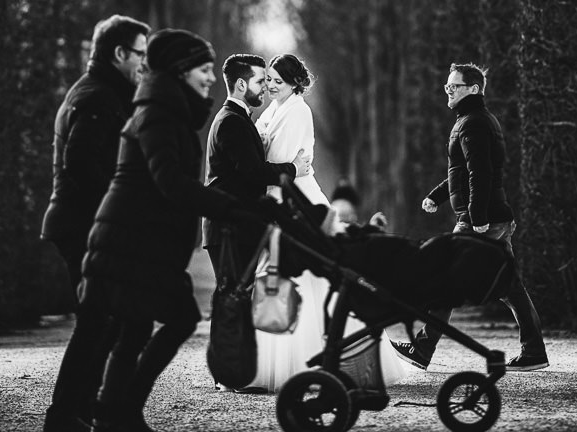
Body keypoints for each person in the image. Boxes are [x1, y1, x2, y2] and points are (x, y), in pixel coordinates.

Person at [46, 29, 254, 432]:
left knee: (135, 325)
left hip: (132, 239)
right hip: (126, 239)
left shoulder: (164, 108)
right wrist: (230, 208)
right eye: (204, 69)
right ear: (180, 71)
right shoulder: (156, 111)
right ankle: (109, 411)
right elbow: (169, 181)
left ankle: (112, 412)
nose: (211, 77)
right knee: (172, 318)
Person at [245, 54, 406, 393]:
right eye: (269, 79)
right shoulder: (273, 110)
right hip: (284, 192)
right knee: (286, 275)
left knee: (308, 275)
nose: (271, 85)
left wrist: (257, 156)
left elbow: (279, 161)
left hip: (297, 200)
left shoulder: (298, 110)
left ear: (293, 82)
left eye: (277, 79)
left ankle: (317, 357)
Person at [390, 62, 549, 372]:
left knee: (444, 280)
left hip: (481, 219)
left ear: (474, 89)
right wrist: (437, 195)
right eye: (447, 87)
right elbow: (463, 172)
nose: (447, 91)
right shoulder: (474, 120)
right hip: (495, 217)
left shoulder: (472, 123)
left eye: (455, 87)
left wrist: (476, 216)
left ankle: (422, 349)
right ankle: (535, 352)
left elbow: (480, 173)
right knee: (511, 287)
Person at [41, 14, 150, 291]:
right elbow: (79, 162)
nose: (145, 63)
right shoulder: (99, 97)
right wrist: (117, 209)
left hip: (82, 220)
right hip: (84, 223)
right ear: (119, 53)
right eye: (141, 54)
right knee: (104, 320)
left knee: (103, 320)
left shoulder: (97, 90)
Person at [203, 54, 308, 308]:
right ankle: (224, 348)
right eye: (261, 81)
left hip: (232, 227)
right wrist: (293, 168)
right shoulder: (232, 122)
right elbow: (254, 172)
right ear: (241, 85)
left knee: (234, 296)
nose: (266, 87)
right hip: (229, 228)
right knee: (232, 297)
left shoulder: (236, 118)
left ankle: (227, 348)